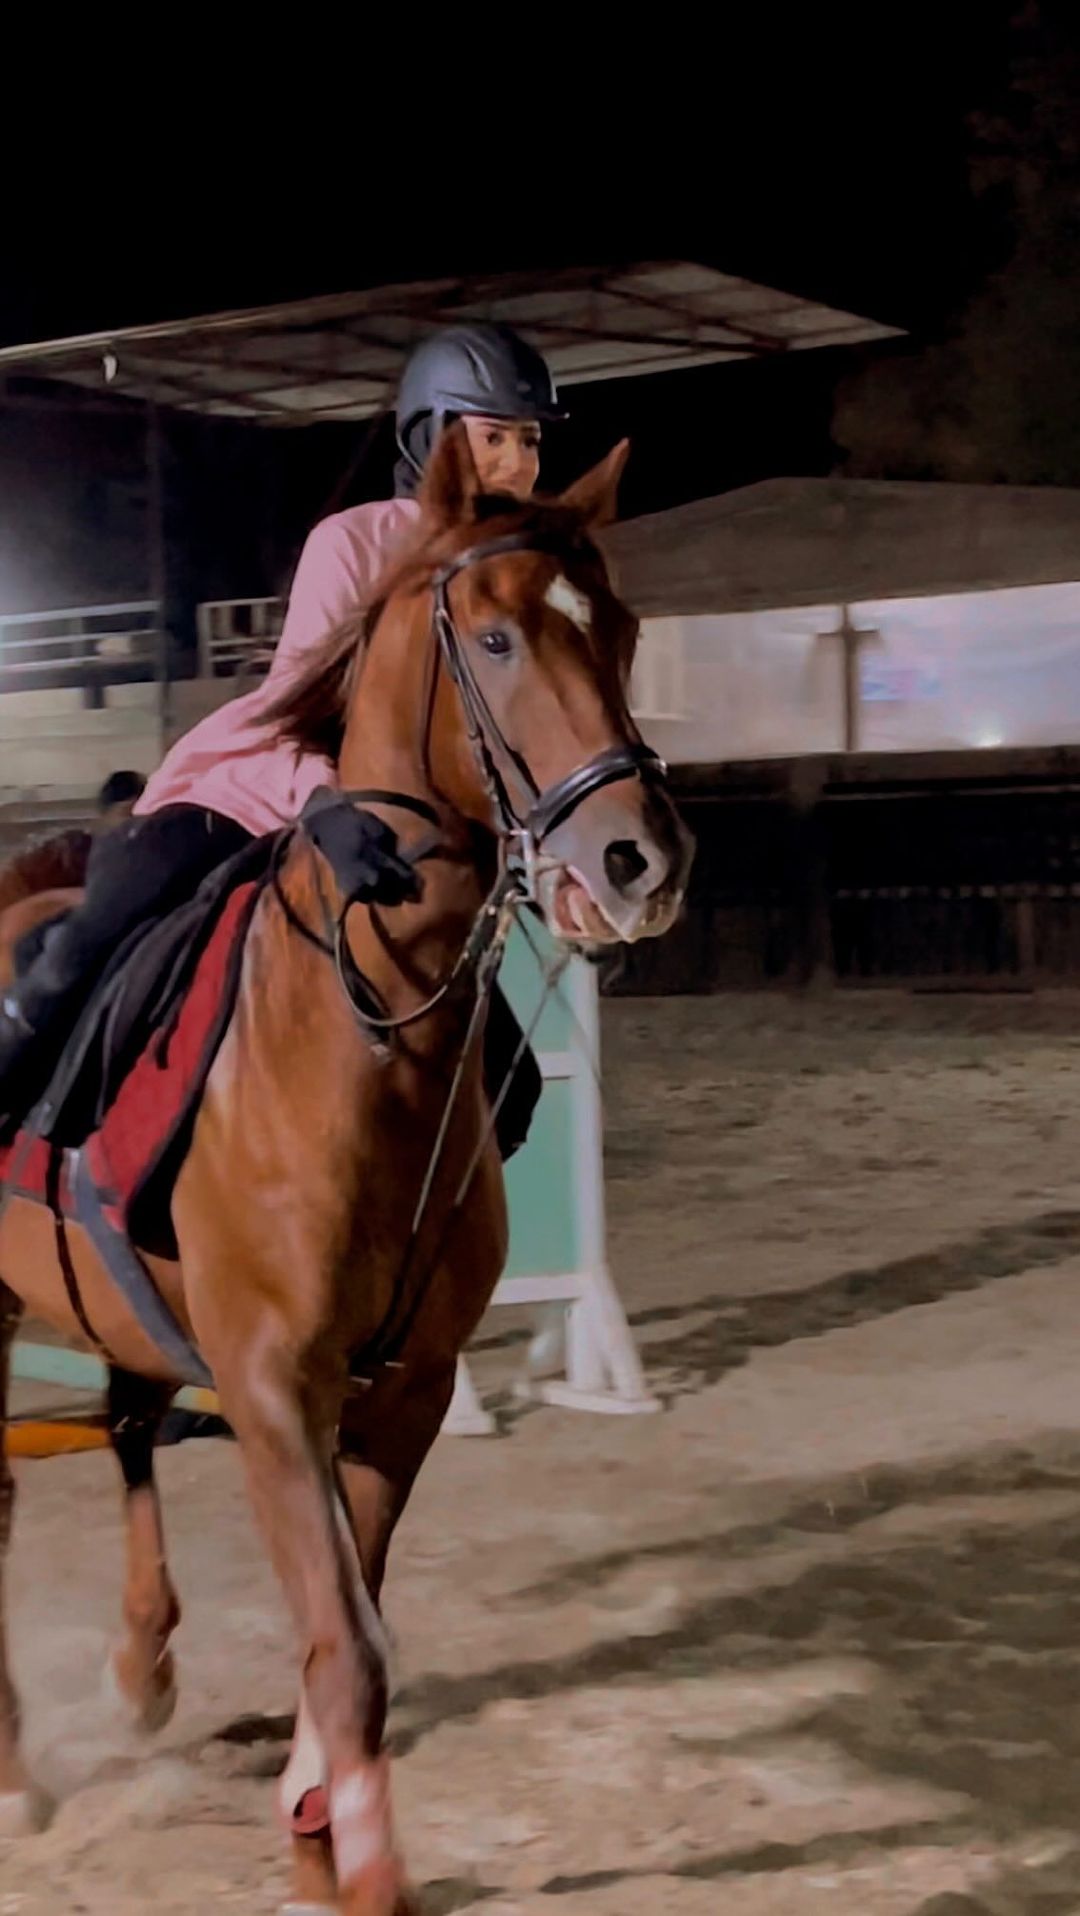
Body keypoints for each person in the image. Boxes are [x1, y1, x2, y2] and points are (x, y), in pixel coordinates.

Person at [0, 324, 565, 1143]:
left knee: (512, 1092)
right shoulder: (355, 542)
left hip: (400, 837)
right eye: (494, 437)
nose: (517, 462)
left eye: (530, 440)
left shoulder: (518, 578)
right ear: (431, 437)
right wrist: (324, 805)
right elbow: (295, 702)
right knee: (111, 921)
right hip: (259, 792)